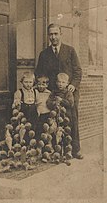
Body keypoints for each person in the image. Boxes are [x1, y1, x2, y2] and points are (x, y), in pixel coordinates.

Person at [35, 23, 83, 159]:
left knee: (71, 119)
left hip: (69, 92)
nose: (53, 37)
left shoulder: (70, 51)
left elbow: (78, 71)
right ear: (48, 36)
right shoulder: (44, 54)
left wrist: (73, 85)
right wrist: (43, 86)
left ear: (61, 34)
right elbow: (39, 73)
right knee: (52, 120)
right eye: (51, 34)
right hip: (52, 94)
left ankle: (75, 150)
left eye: (56, 34)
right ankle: (54, 151)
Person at [35, 75, 51, 141]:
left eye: (43, 84)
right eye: (39, 84)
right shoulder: (35, 92)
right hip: (38, 114)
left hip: (46, 113)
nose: (41, 86)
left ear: (47, 85)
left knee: (45, 131)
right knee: (38, 131)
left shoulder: (49, 93)